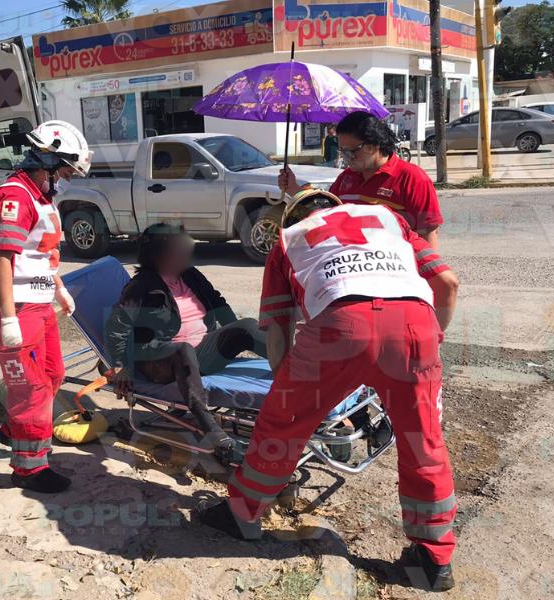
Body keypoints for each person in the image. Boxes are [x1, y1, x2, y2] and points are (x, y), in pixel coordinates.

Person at [197, 189, 460, 592]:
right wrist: (430, 339)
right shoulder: (390, 222)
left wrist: (289, 396)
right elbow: (447, 282)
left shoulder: (288, 241)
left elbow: (279, 330)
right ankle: (433, 559)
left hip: (340, 328)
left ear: (292, 217)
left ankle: (242, 515)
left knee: (279, 428)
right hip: (415, 326)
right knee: (423, 441)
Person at [0, 120, 93, 494]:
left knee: (54, 373)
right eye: (66, 171)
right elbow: (2, 260)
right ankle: (29, 468)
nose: (67, 179)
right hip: (12, 304)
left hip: (38, 301)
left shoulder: (40, 197)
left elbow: (37, 255)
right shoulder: (14, 197)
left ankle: (14, 429)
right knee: (31, 387)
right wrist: (7, 318)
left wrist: (58, 288)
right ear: (47, 161)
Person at [105, 224, 267, 462]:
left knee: (249, 325)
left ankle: (293, 372)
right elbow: (116, 325)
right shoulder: (141, 286)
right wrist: (121, 366)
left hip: (202, 352)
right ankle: (212, 431)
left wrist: (236, 333)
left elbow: (217, 302)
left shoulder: (189, 274)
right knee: (183, 349)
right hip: (161, 361)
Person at [280, 111, 443, 247]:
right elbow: (326, 211)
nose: (346, 158)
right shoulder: (346, 178)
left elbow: (427, 234)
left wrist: (431, 279)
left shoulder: (413, 179)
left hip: (395, 274)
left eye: (351, 151)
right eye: (342, 151)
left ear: (373, 146)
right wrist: (294, 189)